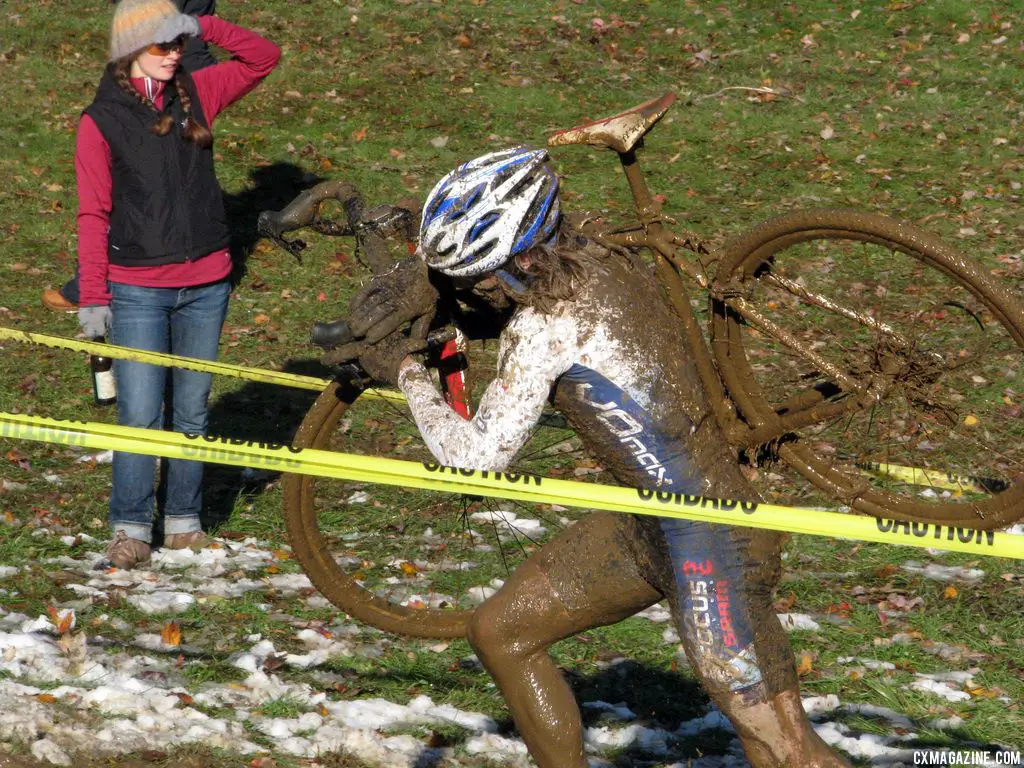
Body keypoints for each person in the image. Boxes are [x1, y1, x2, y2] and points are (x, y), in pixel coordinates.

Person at [331, 148, 853, 768]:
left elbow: (473, 458)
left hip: (713, 546)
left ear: (521, 257)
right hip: (650, 524)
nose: (477, 290)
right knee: (502, 631)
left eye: (482, 277)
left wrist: (406, 373)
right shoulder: (605, 252)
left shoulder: (545, 327)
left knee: (785, 750)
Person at [74, 0, 281, 568]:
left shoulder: (197, 92)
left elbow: (264, 57)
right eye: (161, 43)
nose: (173, 53)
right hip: (137, 288)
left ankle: (184, 523)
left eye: (178, 43)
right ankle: (131, 527)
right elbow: (92, 215)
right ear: (129, 49)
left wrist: (201, 23)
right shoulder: (101, 121)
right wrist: (93, 298)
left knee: (192, 412)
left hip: (207, 283)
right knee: (140, 414)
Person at [41, 0, 219, 313]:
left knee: (140, 177)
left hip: (168, 69)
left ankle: (91, 282)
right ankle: (92, 281)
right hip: (171, 62)